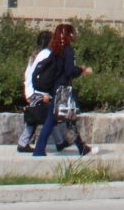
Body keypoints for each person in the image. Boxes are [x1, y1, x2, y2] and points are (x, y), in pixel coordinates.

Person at [31, 22, 93, 157]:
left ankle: (81, 147)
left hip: (55, 87)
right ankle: (39, 150)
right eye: (73, 33)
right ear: (69, 34)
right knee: (57, 119)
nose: (74, 35)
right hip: (64, 88)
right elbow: (69, 71)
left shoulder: (55, 49)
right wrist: (81, 70)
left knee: (67, 118)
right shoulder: (68, 50)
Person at [17, 30, 53, 153]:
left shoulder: (35, 54)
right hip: (38, 91)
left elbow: (27, 73)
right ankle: (23, 143)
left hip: (30, 90)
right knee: (44, 116)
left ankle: (23, 143)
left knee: (39, 115)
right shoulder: (46, 54)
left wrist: (27, 90)